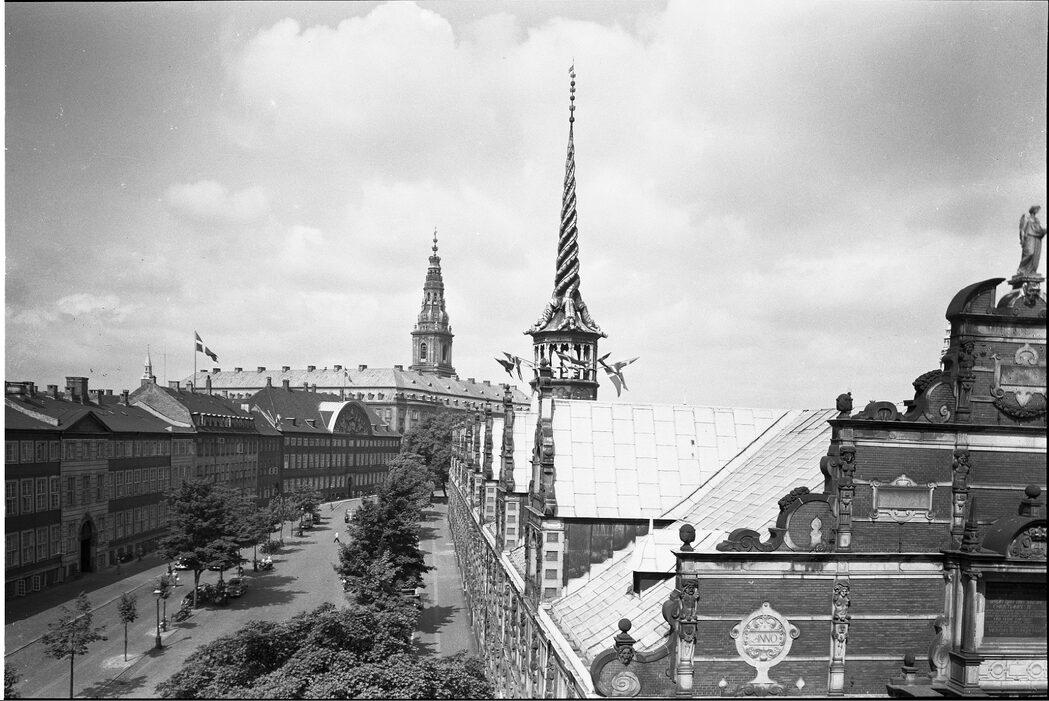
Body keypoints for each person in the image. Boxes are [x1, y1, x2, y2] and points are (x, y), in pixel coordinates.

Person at [1017, 205, 1046, 278]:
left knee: (1034, 256)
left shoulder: (1037, 220)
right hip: (1029, 237)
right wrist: (1022, 239)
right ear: (1033, 210)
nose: (1037, 211)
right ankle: (1021, 269)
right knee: (1029, 253)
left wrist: (1044, 231)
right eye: (1036, 209)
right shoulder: (1026, 218)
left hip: (1036, 239)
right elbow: (1022, 229)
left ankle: (1031, 270)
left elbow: (1039, 230)